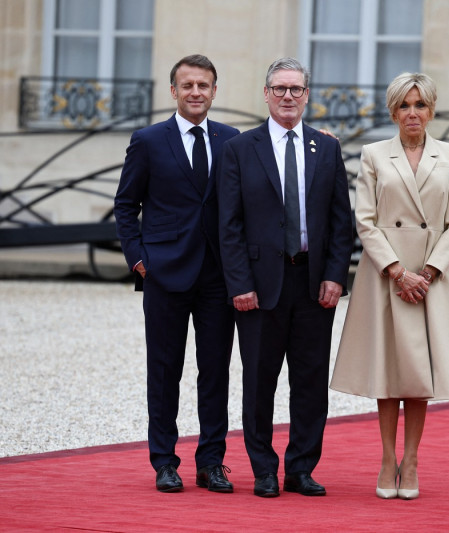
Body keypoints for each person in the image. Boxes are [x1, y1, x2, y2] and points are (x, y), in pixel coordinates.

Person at [329, 72, 449, 500]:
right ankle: (387, 457)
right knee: (388, 370)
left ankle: (411, 460)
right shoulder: (373, 155)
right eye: (405, 105)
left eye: (421, 105)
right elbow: (365, 221)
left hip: (429, 278)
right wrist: (396, 270)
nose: (413, 113)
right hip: (385, 276)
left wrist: (427, 272)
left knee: (418, 372)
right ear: (393, 111)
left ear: (432, 110)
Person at [217, 57, 353, 498]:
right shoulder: (240, 148)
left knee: (310, 382)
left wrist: (336, 276)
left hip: (313, 285)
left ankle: (300, 468)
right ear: (266, 94)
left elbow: (340, 222)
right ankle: (262, 469)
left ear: (307, 95)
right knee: (259, 381)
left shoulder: (326, 148)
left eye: (296, 89)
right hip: (259, 287)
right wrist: (239, 284)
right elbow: (229, 224)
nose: (288, 97)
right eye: (280, 89)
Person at [114, 54, 239, 494]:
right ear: (173, 91)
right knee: (164, 371)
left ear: (214, 91)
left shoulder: (231, 140)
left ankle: (212, 462)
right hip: (164, 274)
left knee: (216, 371)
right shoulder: (148, 141)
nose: (195, 92)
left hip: (218, 277)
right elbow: (126, 205)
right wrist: (137, 258)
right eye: (187, 85)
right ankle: (165, 462)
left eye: (203, 85)